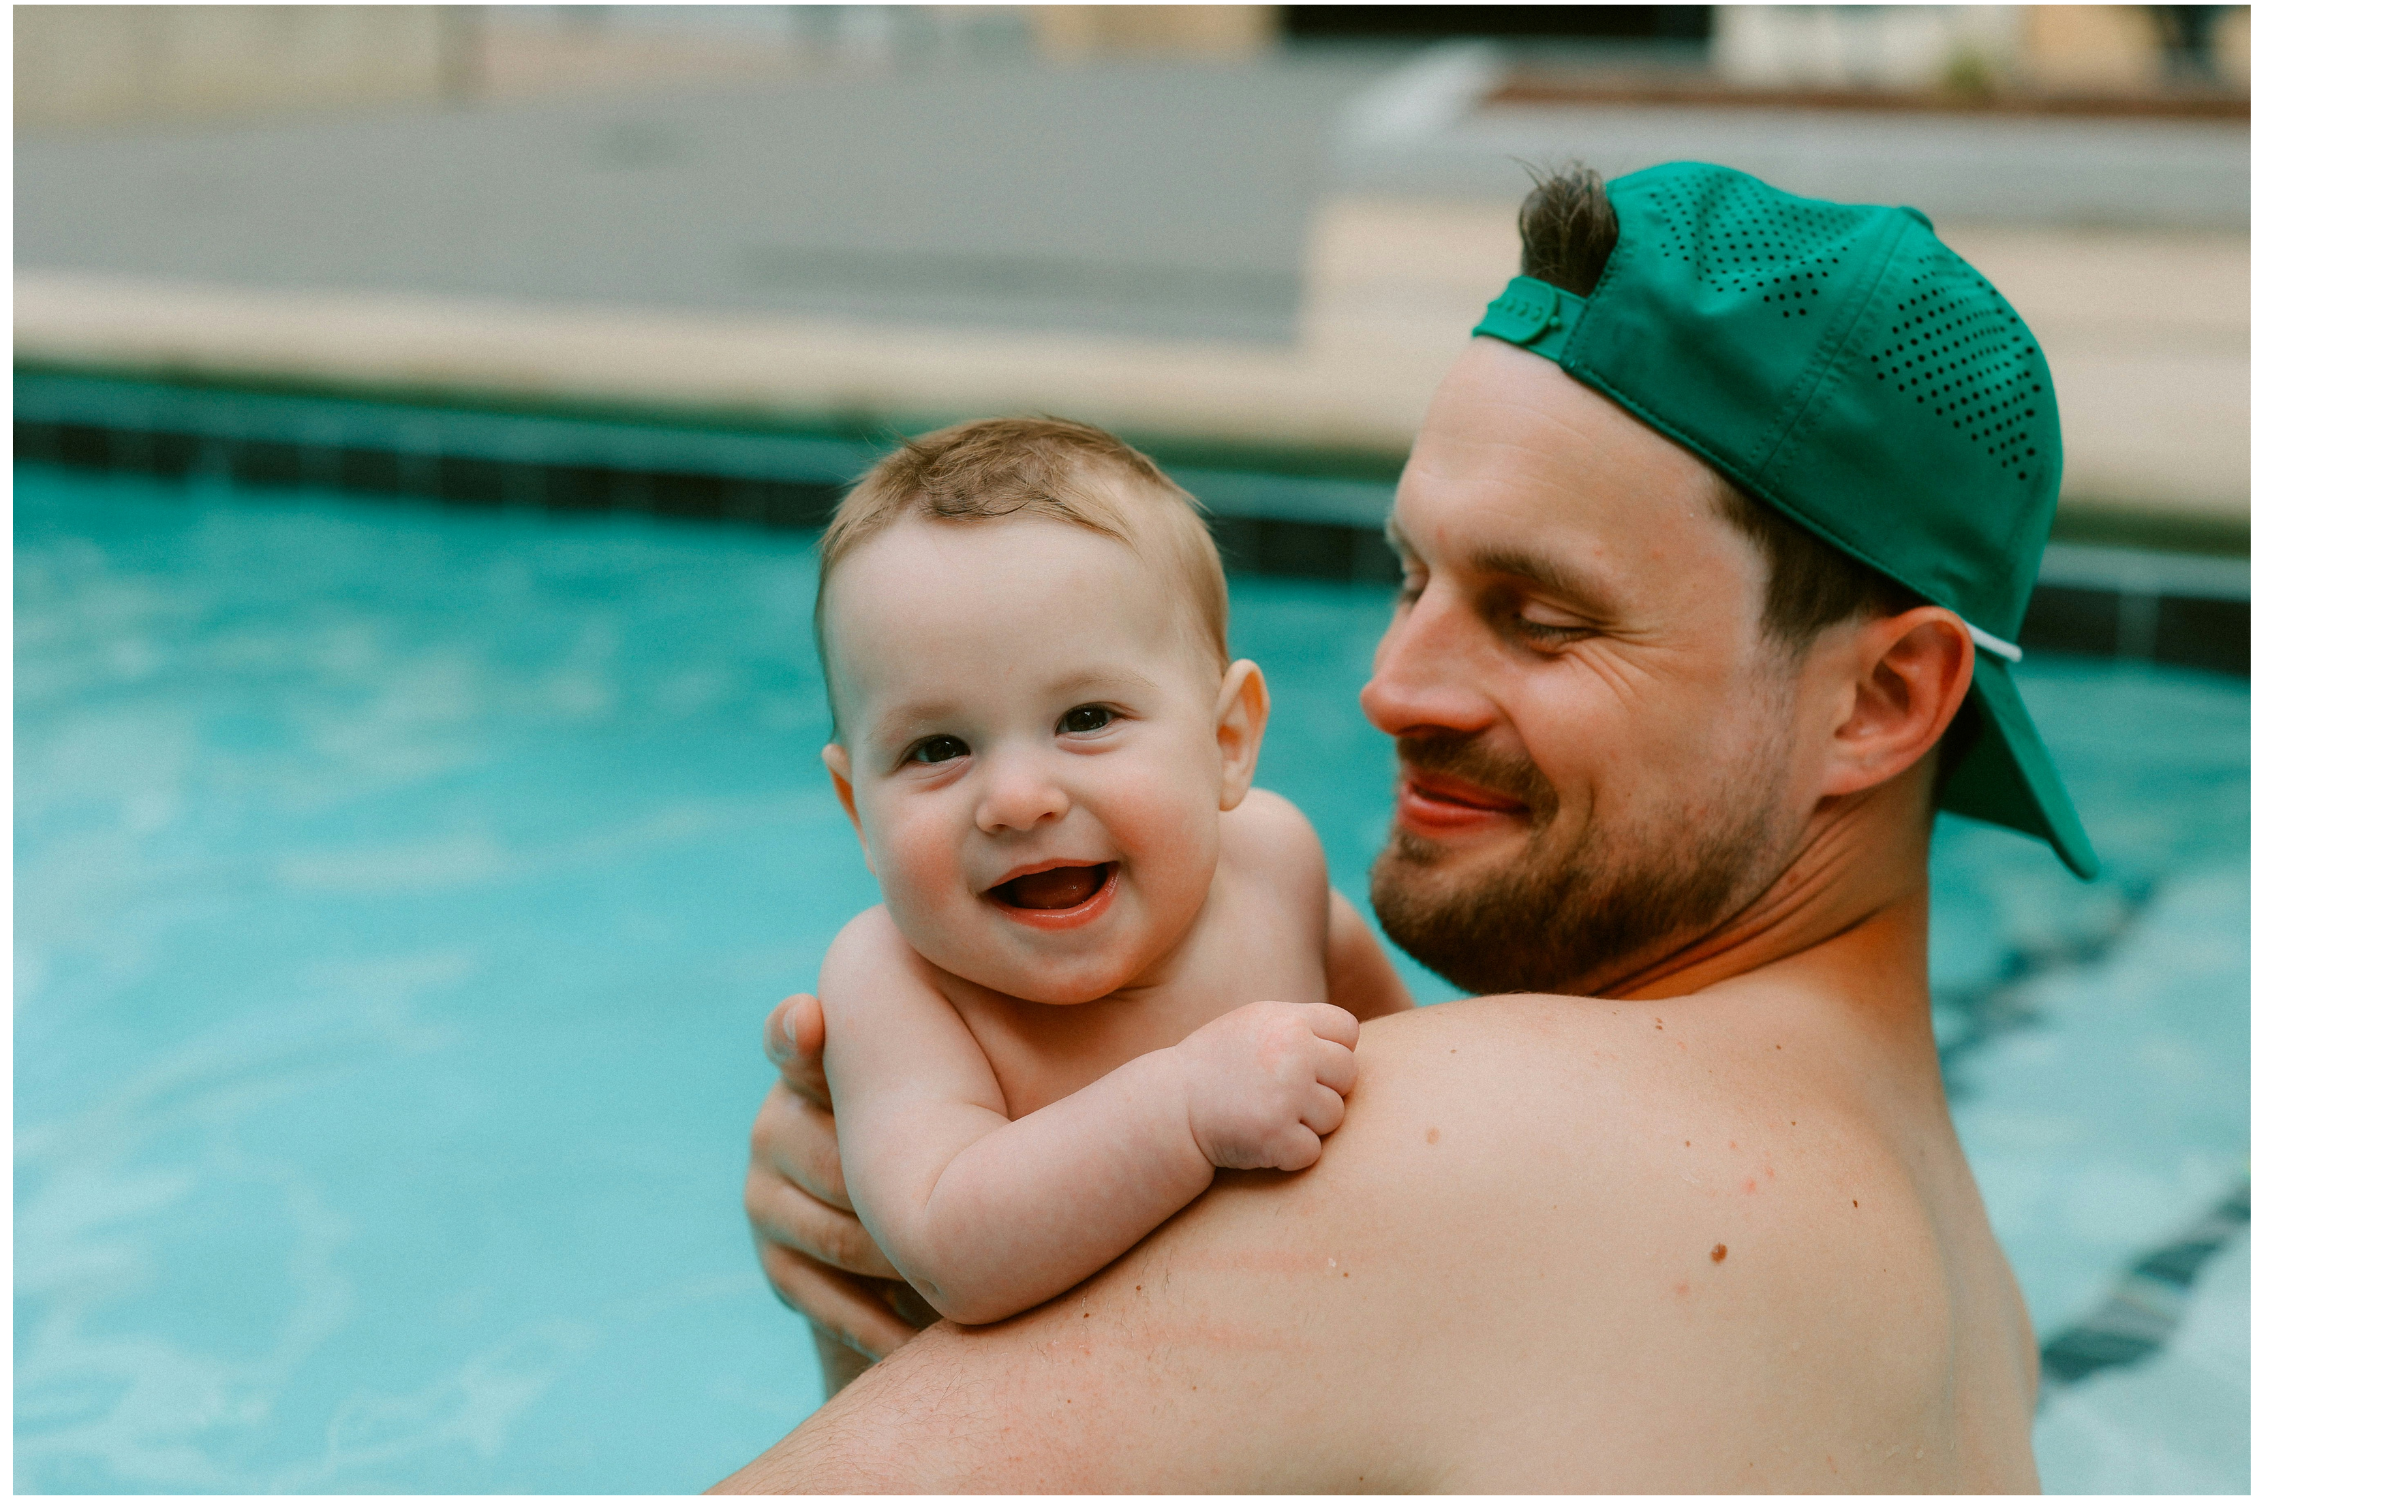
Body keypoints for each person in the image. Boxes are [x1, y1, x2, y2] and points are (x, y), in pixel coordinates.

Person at [723, 160, 2100, 1491]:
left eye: (1541, 619)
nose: (1391, 687)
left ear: (1879, 699)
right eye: (1410, 579)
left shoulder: (1483, 1160)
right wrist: (888, 1265)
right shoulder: (1975, 1293)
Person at [804, 417, 1411, 1328]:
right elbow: (948, 1251)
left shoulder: (1273, 862)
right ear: (860, 810)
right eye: (937, 747)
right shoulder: (894, 983)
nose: (1017, 800)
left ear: (1226, 742)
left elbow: (1407, 1056)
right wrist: (1181, 1107)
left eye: (1086, 719)